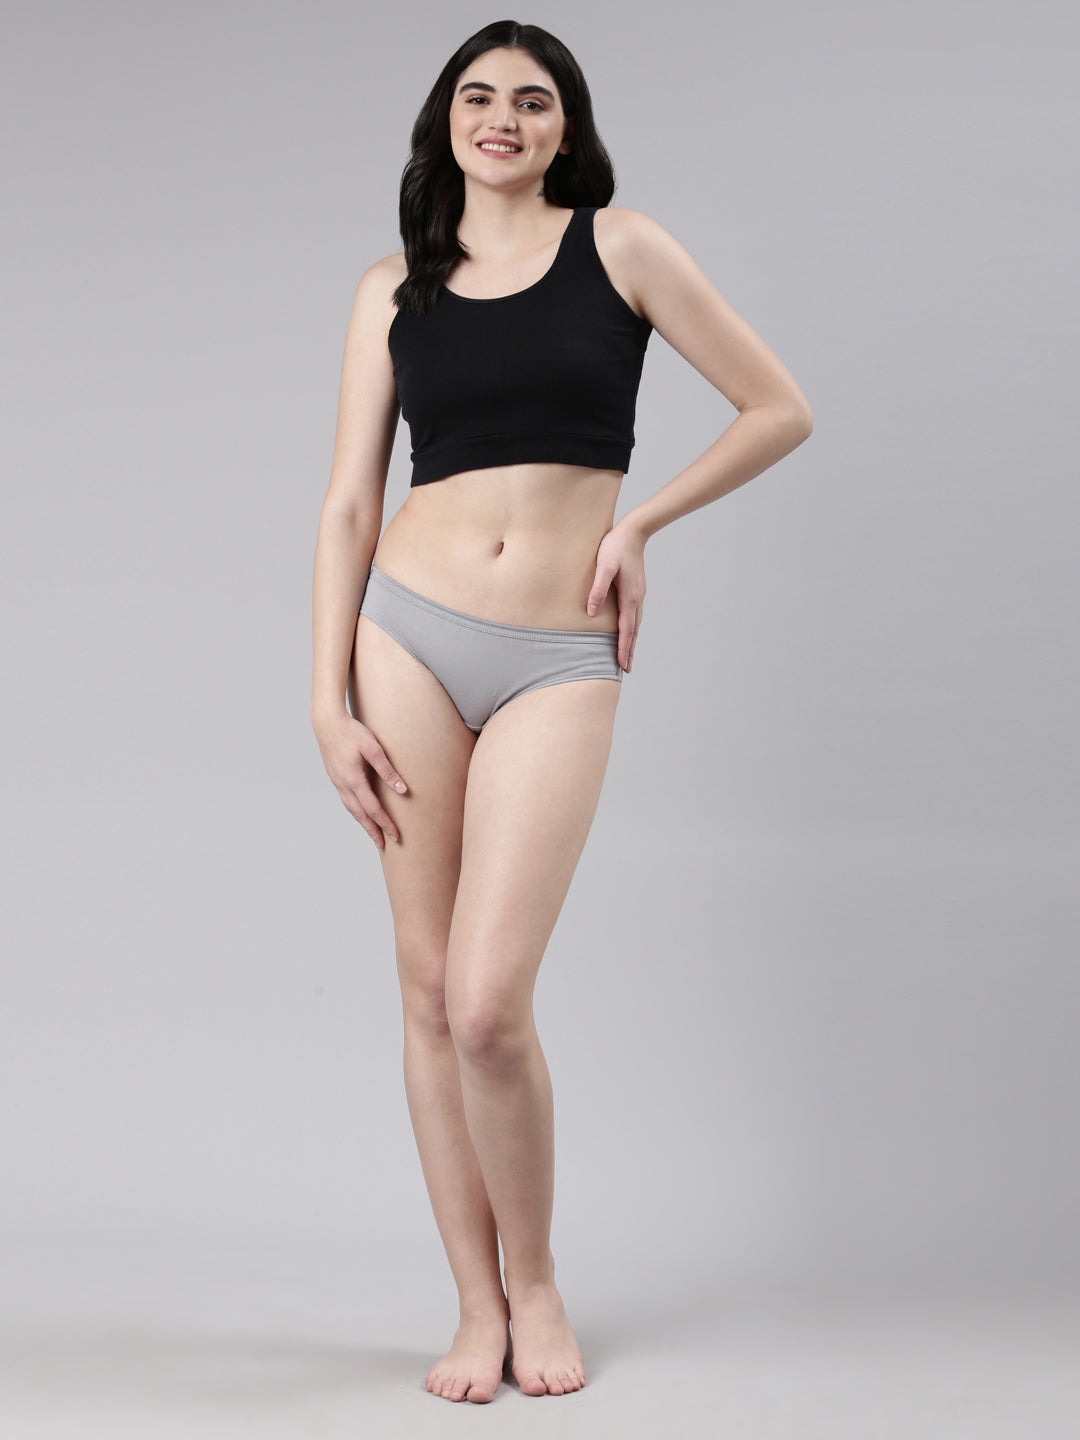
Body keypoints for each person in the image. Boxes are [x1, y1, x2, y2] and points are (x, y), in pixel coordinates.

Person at [310, 18, 812, 1405]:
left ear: (566, 130)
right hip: (403, 638)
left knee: (488, 1003)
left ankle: (537, 1280)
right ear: (446, 123)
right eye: (479, 96)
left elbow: (778, 408)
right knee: (425, 988)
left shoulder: (623, 248)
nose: (504, 118)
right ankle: (477, 1308)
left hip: (555, 654)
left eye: (534, 101)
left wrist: (640, 522)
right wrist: (323, 697)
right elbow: (349, 503)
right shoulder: (392, 290)